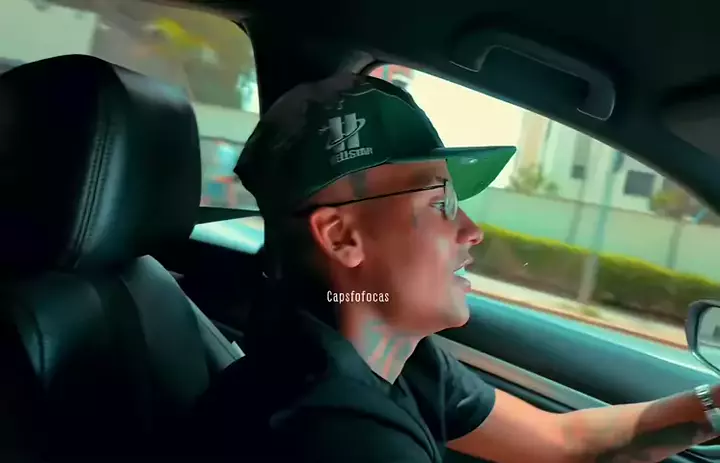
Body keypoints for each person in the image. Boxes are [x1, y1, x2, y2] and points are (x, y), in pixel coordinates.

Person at [192, 73, 720, 463]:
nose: (472, 230)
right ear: (342, 237)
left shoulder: (400, 360)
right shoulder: (329, 431)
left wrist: (712, 407)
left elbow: (564, 441)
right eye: (440, 203)